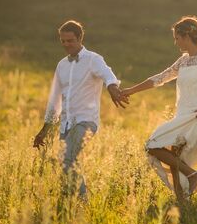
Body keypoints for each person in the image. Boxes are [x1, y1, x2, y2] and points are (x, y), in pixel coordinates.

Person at [121, 16, 197, 201]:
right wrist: (131, 90)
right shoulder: (183, 61)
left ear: (186, 36)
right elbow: (160, 78)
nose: (175, 41)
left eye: (177, 37)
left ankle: (193, 175)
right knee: (174, 158)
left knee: (153, 144)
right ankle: (183, 201)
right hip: (182, 115)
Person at [33, 20, 127, 198]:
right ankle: (69, 201)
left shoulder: (93, 59)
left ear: (80, 39)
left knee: (67, 158)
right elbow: (55, 100)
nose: (66, 45)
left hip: (86, 121)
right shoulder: (61, 65)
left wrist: (113, 88)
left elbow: (107, 74)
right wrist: (44, 131)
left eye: (70, 41)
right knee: (65, 162)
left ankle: (82, 201)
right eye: (63, 41)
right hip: (66, 124)